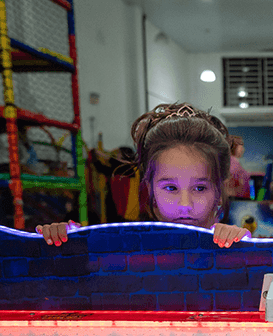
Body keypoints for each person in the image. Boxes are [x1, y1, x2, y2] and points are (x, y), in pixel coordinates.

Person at [37, 103, 249, 249]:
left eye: (200, 188)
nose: (185, 205)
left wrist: (244, 249)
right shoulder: (129, 245)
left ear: (219, 192)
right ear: (151, 190)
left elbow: (259, 289)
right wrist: (66, 242)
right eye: (171, 188)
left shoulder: (232, 246)